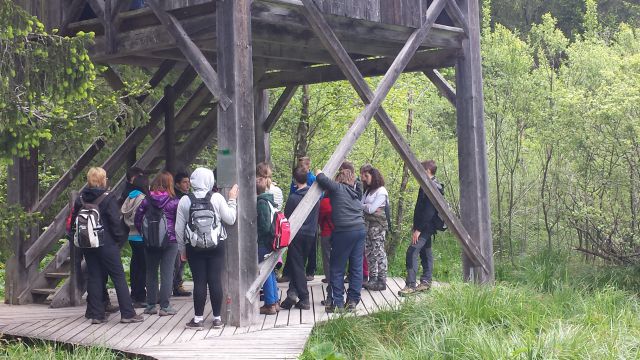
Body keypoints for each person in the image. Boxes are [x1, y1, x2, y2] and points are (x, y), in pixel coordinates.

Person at [69, 167, 143, 324]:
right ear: (103, 180)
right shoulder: (108, 198)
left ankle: (97, 315)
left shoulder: (81, 198)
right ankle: (128, 314)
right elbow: (115, 222)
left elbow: (74, 220)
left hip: (87, 243)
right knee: (118, 277)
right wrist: (117, 240)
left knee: (94, 276)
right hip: (106, 242)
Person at [175, 168, 238, 330]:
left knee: (199, 281)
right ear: (209, 180)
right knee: (215, 280)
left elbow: (178, 229)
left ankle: (198, 319)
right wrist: (232, 199)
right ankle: (217, 319)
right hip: (217, 244)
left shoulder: (185, 200)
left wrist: (182, 250)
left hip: (194, 247)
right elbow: (230, 219)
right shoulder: (216, 197)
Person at [316, 163, 365, 312]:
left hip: (344, 231)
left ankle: (337, 303)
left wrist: (318, 170)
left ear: (339, 179)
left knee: (337, 268)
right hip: (360, 230)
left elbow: (321, 177)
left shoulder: (337, 189)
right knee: (356, 267)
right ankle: (352, 301)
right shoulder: (356, 194)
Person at [135, 171, 180, 316]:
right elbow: (180, 222)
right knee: (167, 273)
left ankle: (150, 305)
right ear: (170, 184)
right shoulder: (174, 201)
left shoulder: (147, 200)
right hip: (170, 241)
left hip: (150, 241)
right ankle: (165, 307)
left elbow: (138, 218)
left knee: (151, 272)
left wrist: (144, 234)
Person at [399, 160, 443, 296]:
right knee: (426, 251)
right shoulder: (426, 185)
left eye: (421, 169)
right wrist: (415, 226)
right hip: (423, 226)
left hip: (426, 227)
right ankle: (426, 282)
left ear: (428, 171)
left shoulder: (432, 186)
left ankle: (411, 285)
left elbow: (429, 212)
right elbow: (420, 209)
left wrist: (418, 229)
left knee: (412, 252)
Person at [280, 166, 320, 311]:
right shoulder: (315, 197)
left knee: (296, 266)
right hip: (311, 234)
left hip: (296, 235)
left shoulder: (293, 198)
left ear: (295, 180)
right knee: (299, 265)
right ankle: (291, 294)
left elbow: (287, 218)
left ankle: (304, 298)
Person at [120, 174, 150, 308]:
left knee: (135, 265)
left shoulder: (129, 197)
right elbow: (142, 218)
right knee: (143, 267)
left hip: (131, 235)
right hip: (141, 235)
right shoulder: (143, 199)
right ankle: (140, 296)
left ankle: (134, 294)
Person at [360, 165, 389, 291]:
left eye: (367, 176)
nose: (364, 179)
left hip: (378, 226)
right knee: (369, 252)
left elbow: (371, 209)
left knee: (379, 252)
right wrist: (368, 207)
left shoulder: (381, 191)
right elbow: (361, 205)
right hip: (368, 226)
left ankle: (382, 280)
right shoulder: (368, 191)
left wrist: (367, 207)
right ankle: (372, 278)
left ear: (374, 176)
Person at [256, 176, 279, 315]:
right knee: (270, 270)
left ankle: (269, 304)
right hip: (272, 242)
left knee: (265, 271)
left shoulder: (261, 203)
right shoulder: (270, 200)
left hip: (264, 242)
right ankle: (274, 302)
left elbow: (264, 226)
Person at [172, 171, 192, 297]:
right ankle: (176, 285)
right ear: (178, 184)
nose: (187, 184)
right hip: (177, 232)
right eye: (184, 182)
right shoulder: (176, 198)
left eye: (188, 182)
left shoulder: (186, 196)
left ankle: (177, 284)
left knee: (181, 260)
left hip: (184, 231)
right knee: (177, 261)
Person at [318, 196, 333, 284]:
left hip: (327, 232)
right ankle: (337, 277)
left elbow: (320, 217)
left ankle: (329, 277)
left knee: (327, 256)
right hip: (339, 233)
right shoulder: (340, 199)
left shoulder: (325, 201)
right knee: (338, 257)